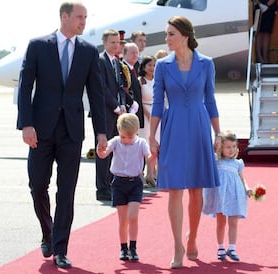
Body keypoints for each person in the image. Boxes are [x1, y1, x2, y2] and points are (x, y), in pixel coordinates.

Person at [17, 2, 107, 269]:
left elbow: (97, 93)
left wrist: (101, 132)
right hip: (40, 131)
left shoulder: (89, 51)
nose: (84, 22)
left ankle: (60, 248)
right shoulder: (38, 45)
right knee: (37, 186)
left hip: (71, 132)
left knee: (66, 191)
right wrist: (26, 124)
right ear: (64, 17)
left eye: (86, 18)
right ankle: (48, 231)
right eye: (80, 17)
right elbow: (25, 87)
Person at [149, 16, 221, 269]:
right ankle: (178, 246)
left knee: (196, 188)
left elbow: (210, 100)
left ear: (185, 36)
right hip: (174, 127)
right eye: (166, 34)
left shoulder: (206, 64)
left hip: (200, 126)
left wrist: (218, 133)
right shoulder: (162, 65)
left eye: (170, 34)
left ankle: (193, 237)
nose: (166, 39)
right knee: (175, 188)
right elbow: (158, 102)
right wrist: (151, 136)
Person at [97, 113, 152, 262]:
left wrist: (153, 165)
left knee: (133, 216)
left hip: (135, 183)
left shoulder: (141, 143)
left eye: (129, 137)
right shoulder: (115, 141)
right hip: (119, 183)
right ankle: (123, 248)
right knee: (122, 220)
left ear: (135, 133)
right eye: (123, 137)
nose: (126, 140)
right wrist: (100, 150)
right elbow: (104, 154)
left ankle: (133, 247)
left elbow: (149, 155)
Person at [202, 131, 252, 262]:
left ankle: (232, 247)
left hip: (235, 195)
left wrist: (247, 189)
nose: (231, 150)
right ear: (221, 148)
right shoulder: (216, 161)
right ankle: (220, 247)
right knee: (221, 222)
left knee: (233, 222)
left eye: (234, 147)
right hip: (221, 196)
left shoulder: (238, 163)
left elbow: (242, 179)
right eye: (228, 147)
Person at [95, 29, 126, 201]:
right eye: (112, 42)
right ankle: (102, 189)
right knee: (103, 150)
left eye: (118, 42)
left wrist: (122, 104)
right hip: (104, 113)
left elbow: (118, 86)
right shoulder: (100, 61)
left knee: (113, 150)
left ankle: (110, 184)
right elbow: (101, 87)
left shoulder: (115, 61)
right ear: (105, 43)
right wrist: (115, 105)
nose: (116, 45)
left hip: (116, 113)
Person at [138, 55, 158, 186]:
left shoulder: (158, 80)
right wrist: (146, 113)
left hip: (157, 114)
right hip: (145, 114)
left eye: (154, 65)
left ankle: (151, 174)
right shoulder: (141, 80)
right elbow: (138, 99)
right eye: (149, 65)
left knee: (155, 146)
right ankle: (140, 174)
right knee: (143, 144)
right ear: (144, 67)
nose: (152, 68)